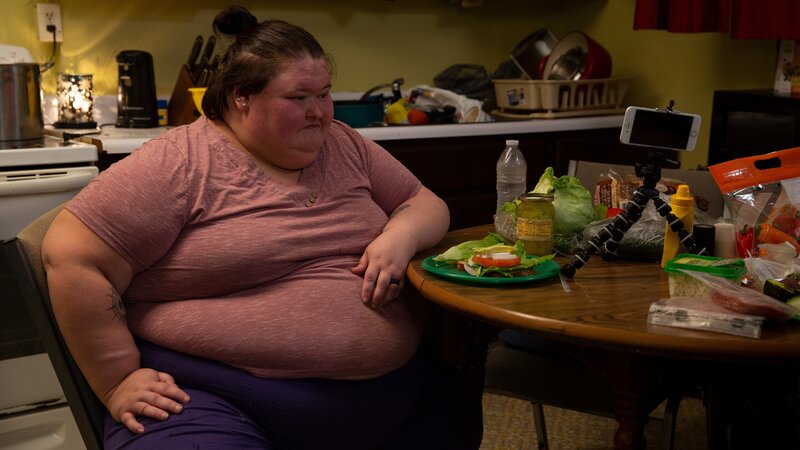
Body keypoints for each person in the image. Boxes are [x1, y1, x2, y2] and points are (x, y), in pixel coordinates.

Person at [41, 6, 482, 449]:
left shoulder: (344, 144)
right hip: (213, 397)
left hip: (388, 393)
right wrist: (117, 379)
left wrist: (398, 236)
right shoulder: (179, 163)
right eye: (297, 98)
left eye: (324, 94)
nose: (319, 114)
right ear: (240, 97)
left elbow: (425, 203)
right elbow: (71, 255)